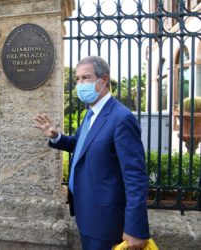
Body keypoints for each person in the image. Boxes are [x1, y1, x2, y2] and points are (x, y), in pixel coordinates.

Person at [33, 56, 149, 250]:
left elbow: (135, 177)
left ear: (103, 80)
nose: (79, 84)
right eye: (77, 79)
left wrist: (136, 228)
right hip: (86, 213)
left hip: (106, 221)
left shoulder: (121, 118)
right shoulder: (91, 114)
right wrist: (55, 136)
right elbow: (80, 145)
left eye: (86, 78)